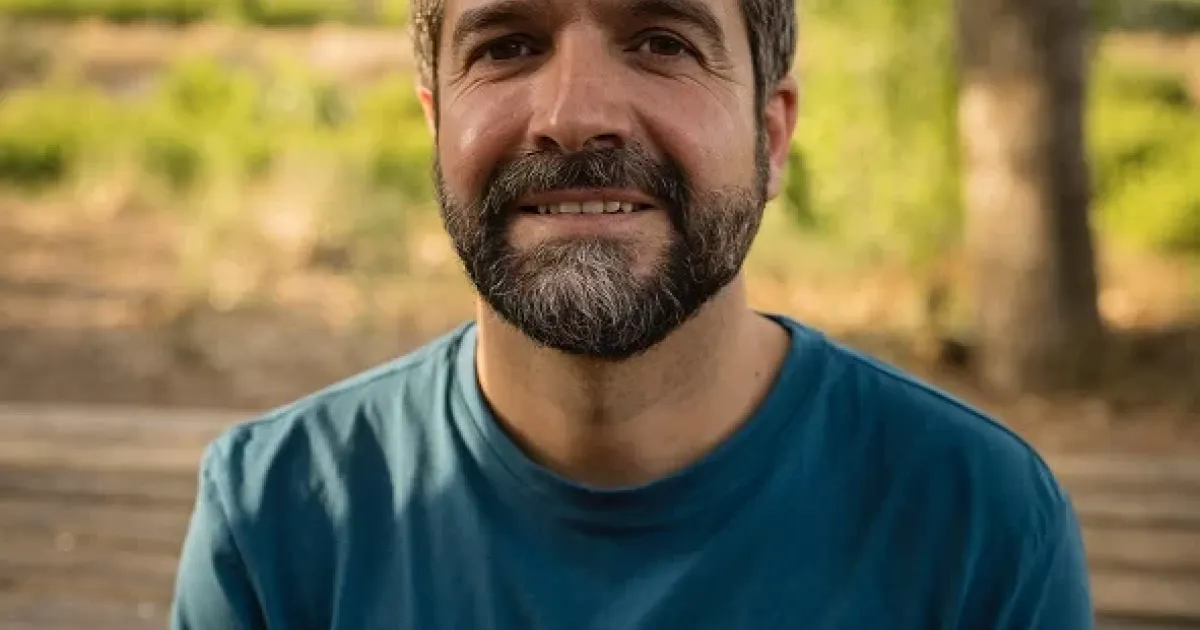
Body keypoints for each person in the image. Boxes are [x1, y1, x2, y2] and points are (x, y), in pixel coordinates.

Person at [169, 0, 1095, 627]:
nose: (575, 116)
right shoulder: (278, 520)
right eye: (507, 45)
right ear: (436, 125)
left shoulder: (977, 523)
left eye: (661, 41)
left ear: (771, 136)